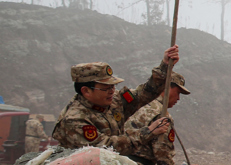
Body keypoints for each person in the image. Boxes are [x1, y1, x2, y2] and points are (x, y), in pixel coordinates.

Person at [52, 46, 180, 151]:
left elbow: (144, 93)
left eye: (113, 86)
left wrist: (164, 66)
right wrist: (148, 132)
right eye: (105, 88)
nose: (112, 91)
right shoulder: (74, 120)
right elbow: (105, 147)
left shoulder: (115, 100)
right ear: (86, 91)